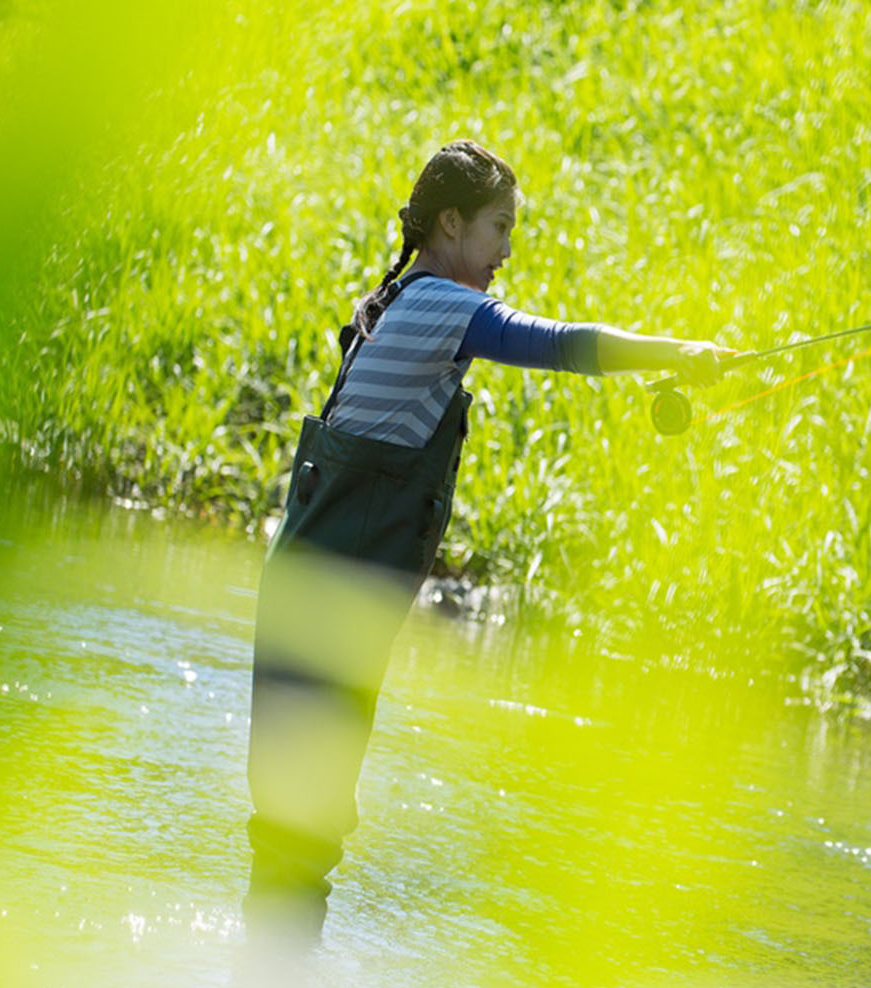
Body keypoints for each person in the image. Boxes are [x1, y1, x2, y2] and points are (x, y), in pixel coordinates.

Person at [246, 140, 732, 937]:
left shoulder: (395, 297)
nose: (507, 250)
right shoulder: (440, 305)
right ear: (450, 222)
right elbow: (554, 342)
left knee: (297, 823)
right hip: (331, 598)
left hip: (312, 587)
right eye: (499, 227)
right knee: (304, 826)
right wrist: (673, 353)